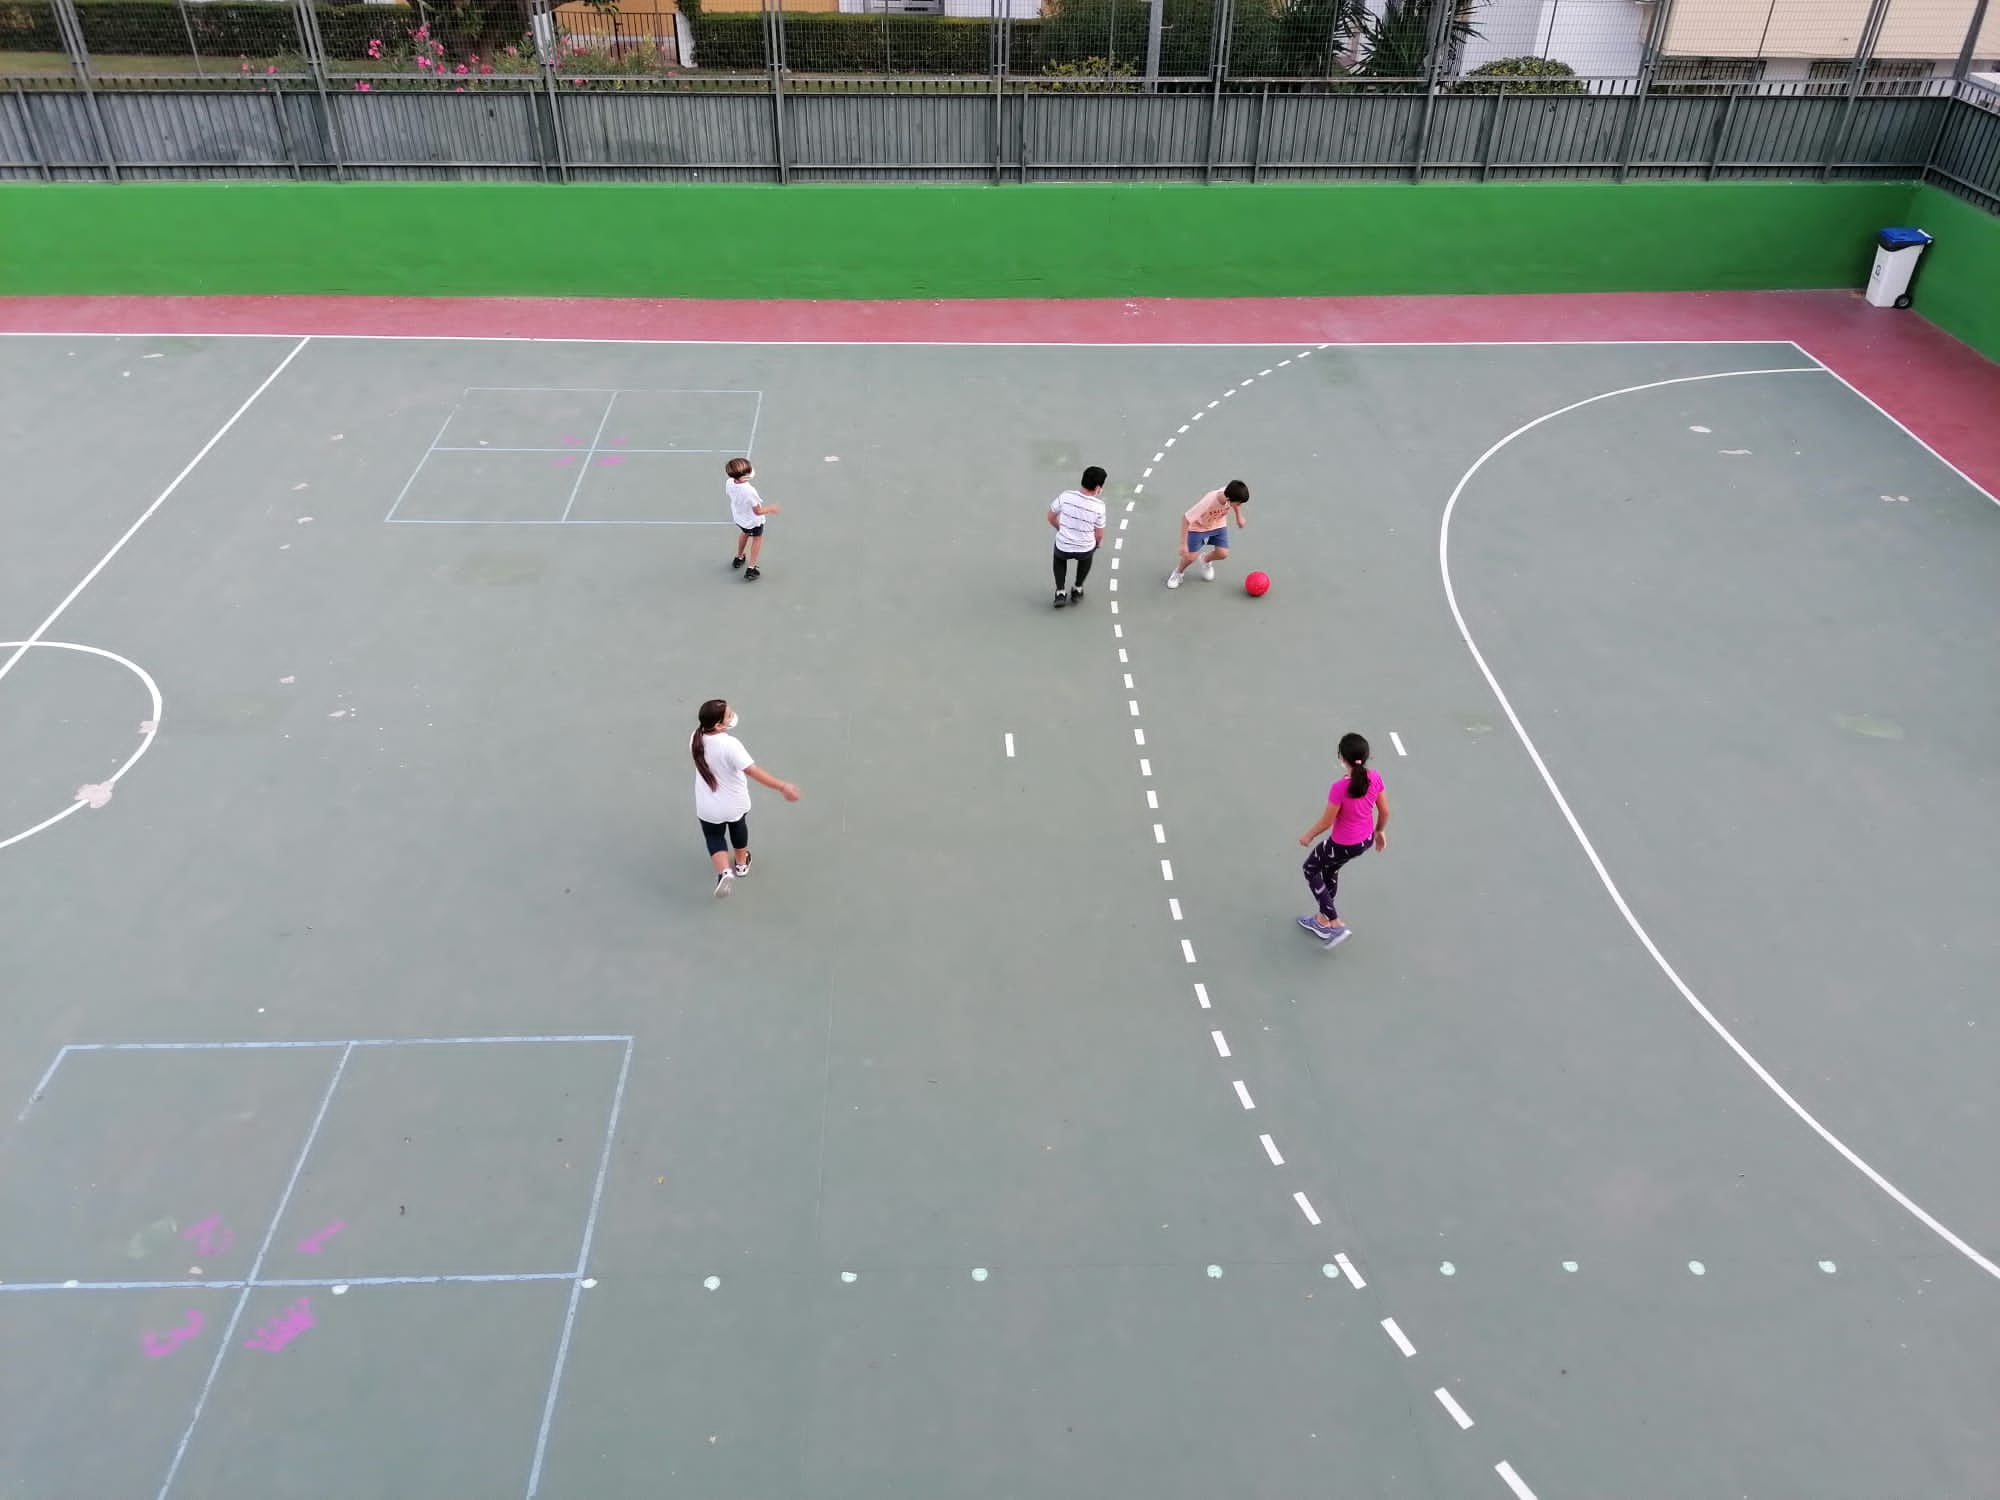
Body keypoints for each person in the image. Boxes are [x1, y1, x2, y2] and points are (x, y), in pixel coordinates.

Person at [691, 698, 800, 897]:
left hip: (708, 807)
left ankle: (724, 872)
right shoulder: (731, 745)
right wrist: (782, 786)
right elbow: (753, 771)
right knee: (738, 828)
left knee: (714, 837)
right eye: (729, 715)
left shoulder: (695, 738)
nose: (733, 716)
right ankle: (741, 864)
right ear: (718, 725)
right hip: (735, 803)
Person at [1296, 732, 1389, 948]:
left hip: (1342, 844)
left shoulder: (1339, 788)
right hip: (1363, 842)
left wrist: (1308, 835)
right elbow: (1384, 812)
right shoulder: (1375, 777)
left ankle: (1335, 923)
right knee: (1330, 870)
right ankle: (1321, 920)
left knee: (1310, 869)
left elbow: (1327, 821)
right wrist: (1379, 832)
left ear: (1342, 758)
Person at [1166, 480, 1249, 589]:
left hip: (1218, 524)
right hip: (1198, 527)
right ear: (1228, 500)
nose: (1239, 505)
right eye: (1239, 503)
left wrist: (1239, 517)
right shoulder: (1209, 500)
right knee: (1190, 557)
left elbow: (1236, 505)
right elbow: (1186, 519)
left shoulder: (1230, 493)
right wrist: (1183, 544)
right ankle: (1178, 573)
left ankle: (1205, 560)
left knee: (1223, 553)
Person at [1048, 465, 1108, 609]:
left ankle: (1060, 592)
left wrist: (1060, 529)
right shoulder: (1099, 506)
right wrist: (1098, 543)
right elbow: (1099, 533)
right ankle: (1077, 588)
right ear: (1098, 487)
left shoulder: (1066, 496)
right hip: (1085, 548)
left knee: (1059, 559)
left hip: (1064, 545)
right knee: (1086, 559)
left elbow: (1051, 516)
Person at [726, 458, 781, 581]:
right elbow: (758, 511)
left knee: (744, 533)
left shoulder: (729, 482)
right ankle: (751, 568)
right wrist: (771, 508)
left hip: (740, 518)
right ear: (744, 477)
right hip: (753, 521)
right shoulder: (749, 491)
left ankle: (739, 557)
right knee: (757, 539)